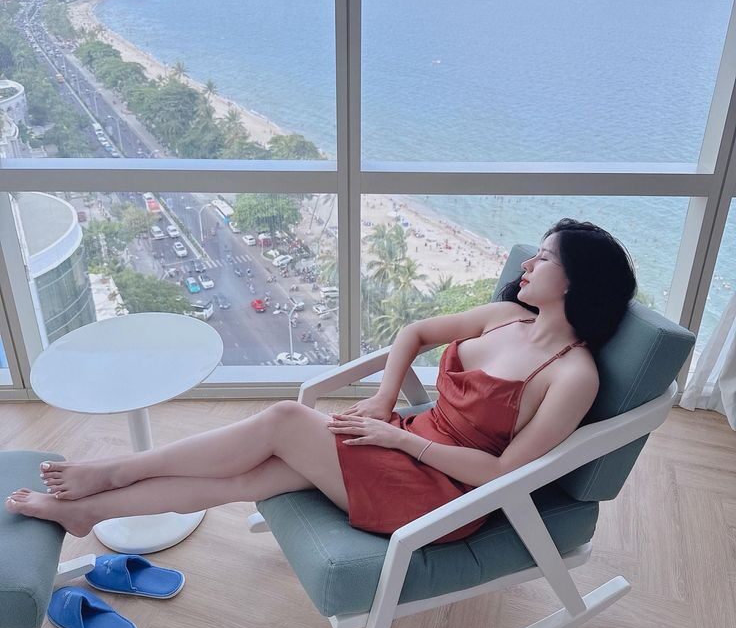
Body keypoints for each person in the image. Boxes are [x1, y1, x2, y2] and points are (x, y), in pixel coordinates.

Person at [5, 219, 636, 543]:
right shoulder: (504, 316)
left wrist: (402, 440)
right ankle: (90, 512)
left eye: (544, 258)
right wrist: (384, 402)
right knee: (249, 479)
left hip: (443, 497)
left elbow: (501, 475)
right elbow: (415, 331)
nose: (527, 264)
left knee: (285, 419)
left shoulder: (571, 376)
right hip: (403, 439)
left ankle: (115, 472)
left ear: (577, 281)